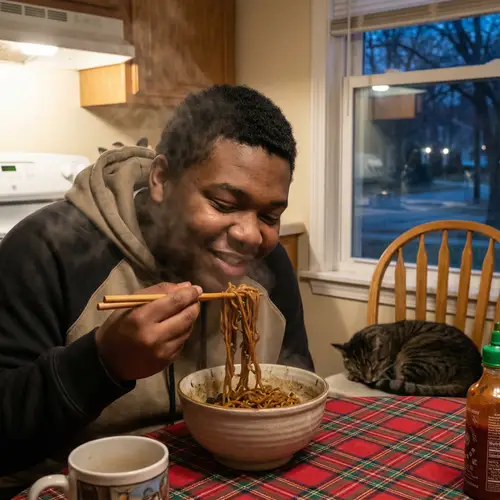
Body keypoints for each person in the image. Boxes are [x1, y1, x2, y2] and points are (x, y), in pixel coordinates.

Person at [0, 84, 314, 496]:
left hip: (225, 478)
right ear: (162, 179)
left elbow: (297, 382)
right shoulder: (47, 249)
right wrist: (102, 363)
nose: (249, 234)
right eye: (223, 203)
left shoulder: (265, 263)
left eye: (270, 215)